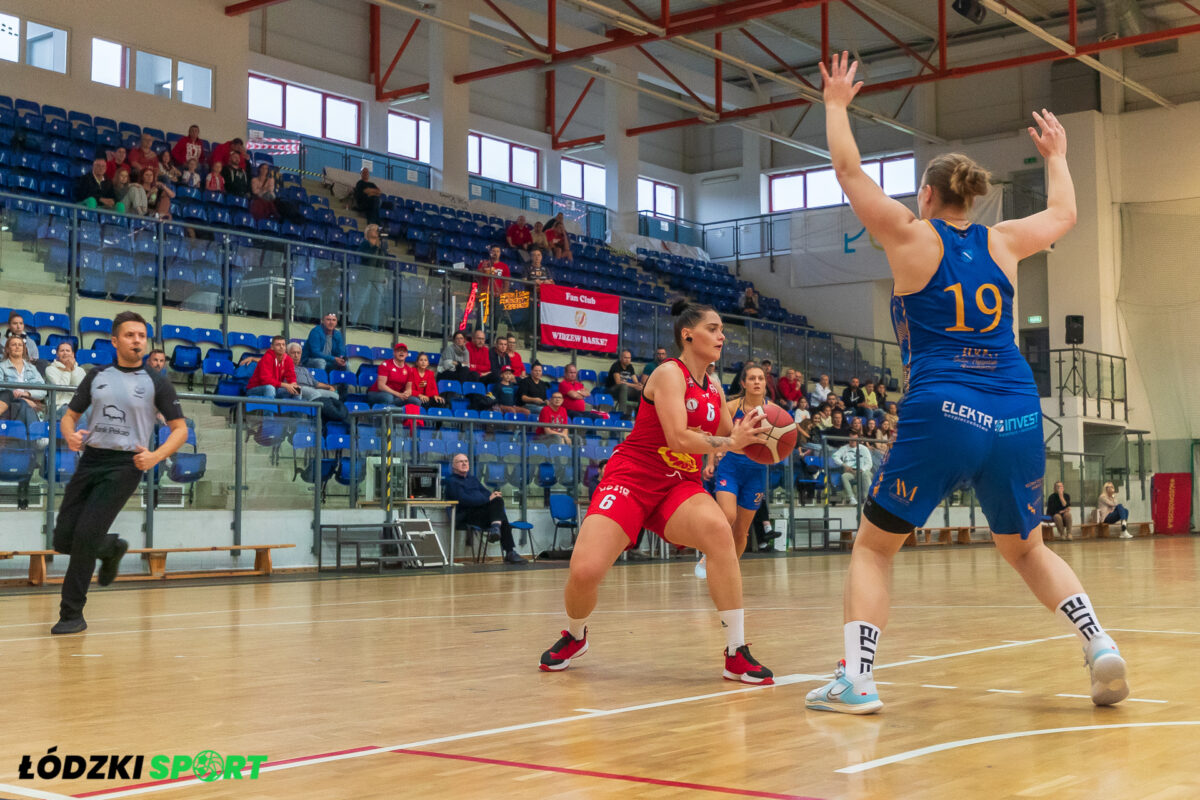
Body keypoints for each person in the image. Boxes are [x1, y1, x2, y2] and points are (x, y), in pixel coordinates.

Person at [805, 53, 1127, 715]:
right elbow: (1064, 214)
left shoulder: (908, 235)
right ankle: (1098, 643)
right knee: (1027, 546)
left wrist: (836, 103)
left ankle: (857, 680)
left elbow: (847, 171)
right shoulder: (1003, 241)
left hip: (943, 404)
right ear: (973, 197)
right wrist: (1057, 155)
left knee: (874, 546)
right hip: (1015, 408)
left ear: (927, 196)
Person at [538, 301, 775, 684]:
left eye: (721, 330)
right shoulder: (669, 373)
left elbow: (733, 435)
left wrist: (760, 433)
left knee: (719, 531)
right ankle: (575, 634)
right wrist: (731, 443)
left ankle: (736, 650)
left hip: (679, 484)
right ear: (688, 334)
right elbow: (679, 438)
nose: (721, 336)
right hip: (632, 477)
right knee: (584, 571)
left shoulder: (713, 384)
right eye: (713, 329)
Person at [51, 311, 187, 634]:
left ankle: (71, 614)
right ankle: (111, 548)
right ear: (115, 340)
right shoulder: (96, 375)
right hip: (90, 460)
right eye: (130, 335)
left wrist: (155, 456)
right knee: (62, 538)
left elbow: (179, 429)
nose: (137, 340)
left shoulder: (157, 382)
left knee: (84, 535)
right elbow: (69, 417)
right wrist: (69, 433)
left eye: (141, 335)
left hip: (126, 465)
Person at [697, 364, 774, 579]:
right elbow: (717, 434)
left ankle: (728, 571)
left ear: (765, 383)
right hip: (730, 467)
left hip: (756, 472)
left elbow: (781, 445)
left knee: (741, 531)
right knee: (726, 516)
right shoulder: (731, 407)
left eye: (760, 378)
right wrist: (710, 462)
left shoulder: (774, 412)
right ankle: (708, 554)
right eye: (752, 378)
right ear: (743, 383)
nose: (757, 382)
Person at [443, 453, 526, 564]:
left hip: (481, 513)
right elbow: (464, 500)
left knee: (497, 500)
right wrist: (487, 499)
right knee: (500, 515)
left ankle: (496, 528)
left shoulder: (472, 479)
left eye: (466, 461)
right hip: (466, 515)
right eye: (460, 461)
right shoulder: (451, 481)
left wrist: (492, 497)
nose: (464, 463)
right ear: (453, 466)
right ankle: (509, 551)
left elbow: (487, 493)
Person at [832, 432, 872, 505]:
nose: (853, 441)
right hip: (850, 472)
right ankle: (852, 498)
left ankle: (868, 499)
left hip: (863, 471)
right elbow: (834, 456)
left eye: (855, 439)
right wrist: (844, 465)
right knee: (844, 476)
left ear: (858, 439)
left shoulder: (864, 449)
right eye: (851, 439)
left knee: (866, 474)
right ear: (848, 439)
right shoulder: (844, 448)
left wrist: (862, 469)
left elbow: (869, 463)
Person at [605, 349, 642, 418]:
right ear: (621, 358)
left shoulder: (630, 367)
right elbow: (618, 382)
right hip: (613, 389)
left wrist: (639, 385)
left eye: (629, 358)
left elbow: (636, 381)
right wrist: (634, 385)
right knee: (623, 386)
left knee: (640, 390)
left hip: (625, 389)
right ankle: (622, 413)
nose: (627, 360)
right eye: (625, 358)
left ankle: (639, 415)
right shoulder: (616, 365)